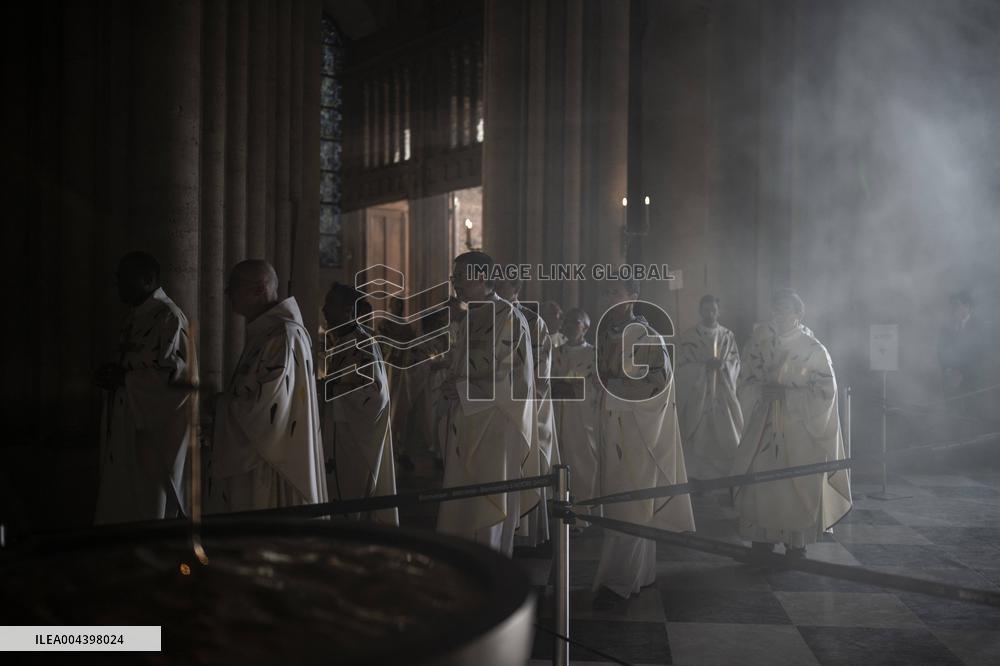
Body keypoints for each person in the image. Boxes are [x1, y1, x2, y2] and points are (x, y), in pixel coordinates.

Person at [592, 279, 695, 609]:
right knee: (623, 498)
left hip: (637, 430)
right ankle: (642, 573)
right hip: (613, 424)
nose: (609, 298)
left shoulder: (646, 335)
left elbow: (658, 384)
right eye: (606, 292)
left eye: (616, 292)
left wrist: (613, 387)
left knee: (630, 500)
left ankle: (619, 581)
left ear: (634, 296)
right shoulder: (607, 333)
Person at [732, 289, 851, 559]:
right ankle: (761, 539)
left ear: (799, 313)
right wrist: (759, 392)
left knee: (794, 485)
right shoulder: (759, 344)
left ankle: (795, 543)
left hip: (799, 430)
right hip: (763, 427)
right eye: (776, 308)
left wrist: (788, 396)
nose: (779, 314)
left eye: (786, 308)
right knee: (761, 484)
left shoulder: (814, 349)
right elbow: (744, 380)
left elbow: (826, 392)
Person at [437, 252, 537, 556]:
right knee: (464, 503)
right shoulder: (472, 316)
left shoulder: (507, 316)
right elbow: (464, 364)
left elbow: (512, 377)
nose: (455, 283)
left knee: (489, 503)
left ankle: (491, 569)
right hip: (468, 420)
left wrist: (462, 389)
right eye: (454, 277)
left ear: (481, 277)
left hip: (496, 423)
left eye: (460, 276)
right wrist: (451, 381)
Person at [207, 260, 327, 512]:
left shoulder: (282, 336)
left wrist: (220, 405)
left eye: (233, 286)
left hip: (269, 464)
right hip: (263, 455)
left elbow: (268, 409)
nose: (227, 293)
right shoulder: (270, 333)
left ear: (260, 289)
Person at [94, 251, 191, 524]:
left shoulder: (169, 317)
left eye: (125, 278)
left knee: (146, 503)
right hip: (127, 421)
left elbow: (179, 379)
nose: (119, 284)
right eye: (118, 278)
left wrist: (126, 379)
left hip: (151, 430)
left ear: (148, 280)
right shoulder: (136, 316)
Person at [319, 282, 398, 526]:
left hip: (355, 439)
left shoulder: (363, 344)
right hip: (339, 432)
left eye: (330, 304)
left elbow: (374, 395)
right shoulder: (343, 341)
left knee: (351, 503)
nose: (324, 309)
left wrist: (330, 390)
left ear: (347, 310)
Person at [495, 278, 560, 549]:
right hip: (497, 403)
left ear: (516, 289)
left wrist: (530, 398)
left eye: (503, 284)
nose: (497, 289)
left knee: (528, 459)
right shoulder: (489, 316)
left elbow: (541, 365)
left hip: (527, 403)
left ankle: (527, 534)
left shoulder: (533, 321)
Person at [675, 295, 744, 481]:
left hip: (722, 392)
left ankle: (724, 475)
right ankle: (696, 476)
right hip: (698, 395)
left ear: (719, 312)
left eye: (713, 310)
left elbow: (735, 362)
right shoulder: (689, 337)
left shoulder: (727, 336)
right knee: (698, 435)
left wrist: (724, 366)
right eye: (706, 310)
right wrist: (702, 367)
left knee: (726, 434)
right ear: (700, 311)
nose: (710, 314)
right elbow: (680, 366)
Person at [551, 308, 599, 514]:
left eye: (575, 322)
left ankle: (583, 514)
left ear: (585, 328)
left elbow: (595, 386)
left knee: (583, 465)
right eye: (567, 321)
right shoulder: (555, 352)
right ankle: (560, 514)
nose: (569, 325)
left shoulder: (593, 354)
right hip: (557, 416)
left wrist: (568, 386)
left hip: (582, 419)